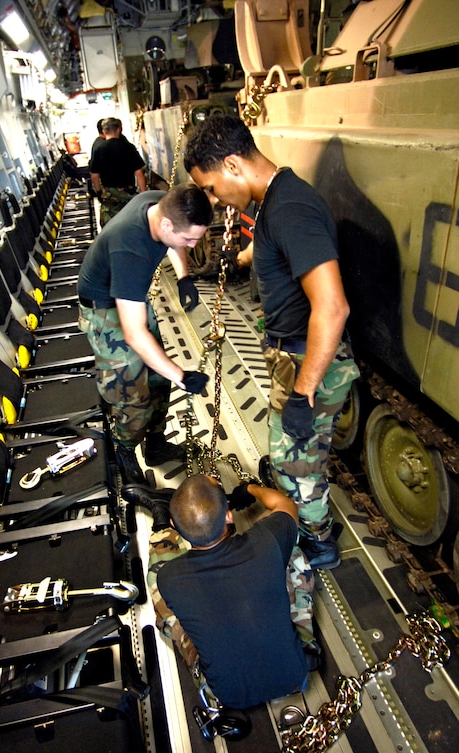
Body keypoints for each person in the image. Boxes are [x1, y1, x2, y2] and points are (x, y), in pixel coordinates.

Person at [184, 115, 360, 570]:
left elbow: (333, 306)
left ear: (232, 165)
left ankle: (318, 543)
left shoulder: (289, 208)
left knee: (296, 463)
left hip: (308, 364)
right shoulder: (273, 203)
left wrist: (303, 394)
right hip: (291, 353)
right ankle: (302, 507)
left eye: (210, 187)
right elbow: (281, 250)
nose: (213, 198)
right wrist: (245, 256)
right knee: (289, 455)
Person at [77, 182, 212, 485]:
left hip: (130, 298)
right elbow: (134, 333)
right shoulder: (130, 247)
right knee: (132, 397)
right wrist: (182, 375)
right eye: (189, 238)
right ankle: (124, 450)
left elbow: (174, 241)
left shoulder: (160, 204)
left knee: (157, 379)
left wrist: (184, 278)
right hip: (105, 312)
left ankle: (154, 445)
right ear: (166, 223)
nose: (191, 245)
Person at [145, 475, 316, 711]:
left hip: (229, 696)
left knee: (156, 581)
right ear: (228, 515)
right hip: (294, 676)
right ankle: (305, 641)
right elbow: (284, 505)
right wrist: (250, 488)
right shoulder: (266, 541)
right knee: (293, 553)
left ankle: (158, 521)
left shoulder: (169, 577)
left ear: (175, 525)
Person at [90, 117, 147, 226]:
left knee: (110, 227)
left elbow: (94, 176)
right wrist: (143, 194)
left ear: (104, 131)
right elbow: (139, 173)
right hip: (128, 194)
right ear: (119, 129)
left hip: (109, 196)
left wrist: (98, 192)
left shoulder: (99, 149)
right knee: (131, 224)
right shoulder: (128, 147)